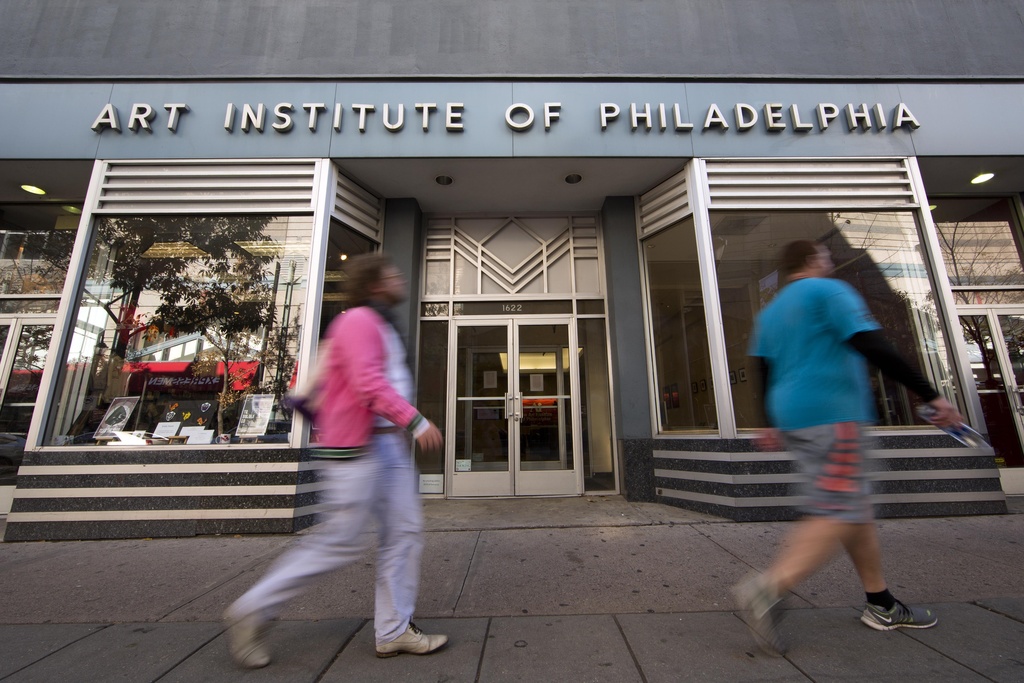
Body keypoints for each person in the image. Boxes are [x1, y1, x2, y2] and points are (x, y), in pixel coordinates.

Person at [734, 240, 964, 655]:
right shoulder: (829, 292)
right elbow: (873, 345)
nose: (831, 260)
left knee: (851, 508)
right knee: (838, 508)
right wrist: (931, 395)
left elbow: (762, 368)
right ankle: (768, 589)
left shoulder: (771, 312)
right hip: (832, 412)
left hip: (794, 414)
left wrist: (768, 422)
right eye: (824, 255)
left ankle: (882, 603)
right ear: (810, 260)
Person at [224, 253, 446, 668]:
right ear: (376, 283)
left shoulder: (380, 323)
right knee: (342, 540)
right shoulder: (359, 320)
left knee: (405, 533)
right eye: (393, 273)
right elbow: (368, 383)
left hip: (387, 446)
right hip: (361, 447)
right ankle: (253, 607)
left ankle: (395, 630)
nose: (400, 278)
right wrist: (414, 421)